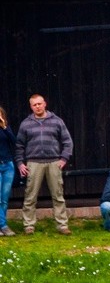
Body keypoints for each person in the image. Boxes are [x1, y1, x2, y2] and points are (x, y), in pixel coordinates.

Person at [14, 94, 73, 235]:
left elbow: (67, 141)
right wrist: (20, 163)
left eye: (40, 104)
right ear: (31, 107)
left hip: (54, 162)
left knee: (58, 195)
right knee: (30, 196)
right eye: (34, 105)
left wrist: (64, 159)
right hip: (33, 163)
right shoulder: (25, 124)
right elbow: (19, 146)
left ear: (45, 104)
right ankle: (29, 226)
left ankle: (62, 225)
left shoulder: (57, 121)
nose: (38, 107)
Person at [0, 107, 16, 236]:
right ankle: (3, 226)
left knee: (4, 198)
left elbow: (14, 142)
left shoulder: (6, 129)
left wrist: (4, 126)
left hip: (8, 165)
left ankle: (2, 224)